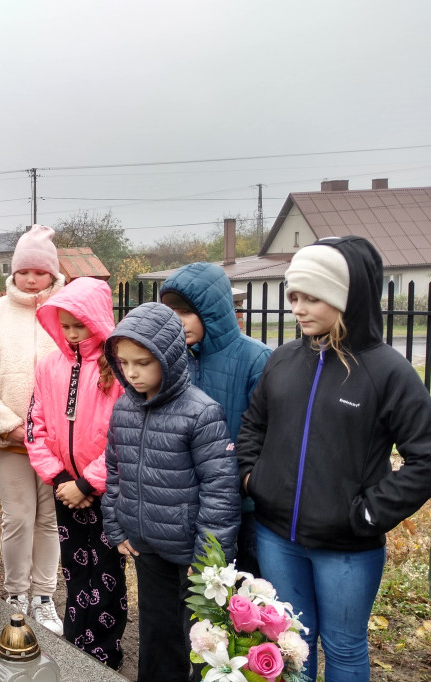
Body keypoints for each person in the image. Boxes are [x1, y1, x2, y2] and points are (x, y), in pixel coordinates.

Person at [237, 236, 431, 682]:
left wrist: (366, 513)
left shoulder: (388, 372)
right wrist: (253, 480)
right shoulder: (283, 360)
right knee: (293, 645)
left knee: (343, 649)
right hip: (277, 538)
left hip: (347, 549)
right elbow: (253, 425)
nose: (298, 309)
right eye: (294, 297)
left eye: (312, 298)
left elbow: (425, 459)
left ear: (346, 298)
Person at [102, 302, 240, 682]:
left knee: (200, 641)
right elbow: (115, 471)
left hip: (190, 554)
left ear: (170, 356)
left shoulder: (201, 413)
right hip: (147, 546)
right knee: (157, 633)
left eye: (143, 362)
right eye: (125, 362)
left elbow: (219, 492)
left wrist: (209, 559)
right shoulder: (124, 409)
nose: (132, 373)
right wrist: (115, 526)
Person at [0, 223, 66, 635]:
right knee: (19, 518)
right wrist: (7, 425)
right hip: (10, 442)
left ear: (52, 273)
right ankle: (15, 594)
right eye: (23, 270)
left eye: (38, 272)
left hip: (57, 442)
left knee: (49, 521)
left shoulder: (65, 314)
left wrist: (58, 429)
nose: (29, 278)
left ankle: (43, 596)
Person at [26, 276, 127, 669]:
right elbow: (36, 424)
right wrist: (59, 479)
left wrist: (89, 482)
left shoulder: (116, 368)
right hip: (64, 486)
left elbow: (123, 433)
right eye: (64, 325)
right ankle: (76, 641)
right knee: (74, 565)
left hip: (105, 489)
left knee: (105, 569)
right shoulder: (50, 365)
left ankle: (104, 650)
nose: (70, 333)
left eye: (78, 325)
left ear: (98, 320)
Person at [159, 262, 272, 577]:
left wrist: (249, 482)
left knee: (247, 590)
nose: (177, 322)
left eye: (185, 312)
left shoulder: (254, 359)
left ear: (211, 311)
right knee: (197, 595)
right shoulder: (171, 358)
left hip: (243, 503)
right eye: (170, 313)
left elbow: (266, 432)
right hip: (186, 501)